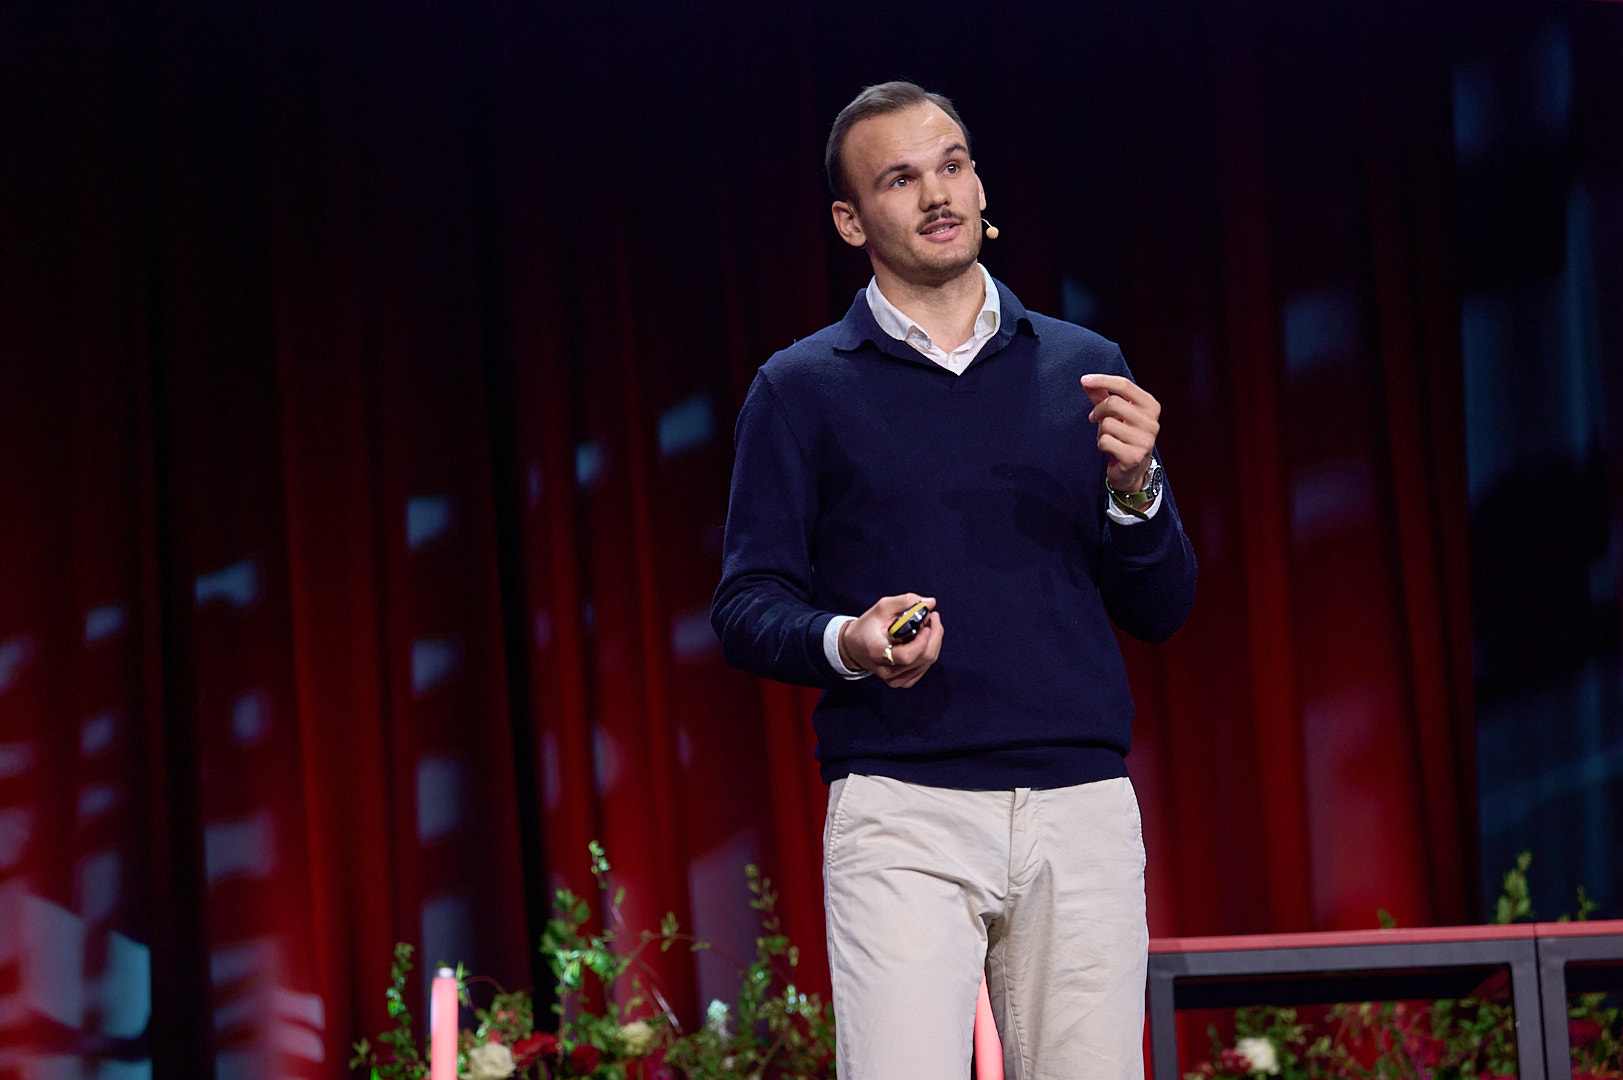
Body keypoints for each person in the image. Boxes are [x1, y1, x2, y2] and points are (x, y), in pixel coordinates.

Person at [710, 81, 1197, 1080]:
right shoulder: (801, 388)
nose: (939, 194)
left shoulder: (1083, 365)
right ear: (852, 220)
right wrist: (851, 638)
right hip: (903, 808)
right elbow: (746, 604)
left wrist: (1138, 489)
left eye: (953, 163)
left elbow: (1161, 607)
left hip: (1081, 807)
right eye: (900, 179)